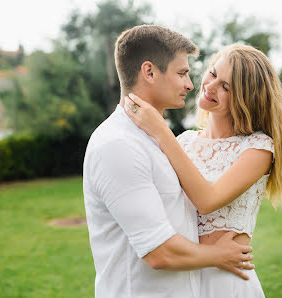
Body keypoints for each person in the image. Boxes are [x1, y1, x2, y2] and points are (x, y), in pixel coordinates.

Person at [83, 26, 255, 298]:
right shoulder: (118, 145)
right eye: (182, 73)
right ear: (149, 72)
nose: (190, 84)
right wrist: (217, 255)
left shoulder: (156, 139)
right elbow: (159, 252)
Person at [124, 44, 282, 297]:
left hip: (225, 281)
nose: (210, 86)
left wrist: (160, 131)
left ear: (245, 99)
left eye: (226, 87)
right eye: (214, 74)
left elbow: (207, 201)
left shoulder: (258, 148)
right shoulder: (184, 142)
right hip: (182, 276)